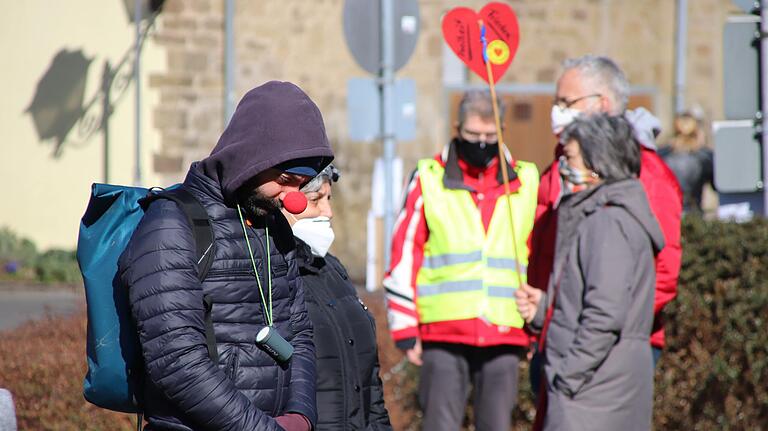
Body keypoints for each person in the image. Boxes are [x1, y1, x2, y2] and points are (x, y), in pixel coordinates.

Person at [118, 81, 334, 431]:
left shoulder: (271, 224)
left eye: (301, 184)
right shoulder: (171, 224)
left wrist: (301, 416)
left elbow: (299, 333)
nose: (292, 198)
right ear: (252, 160)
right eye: (285, 180)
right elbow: (176, 361)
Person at [383, 89, 539, 431]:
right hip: (443, 331)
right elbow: (406, 252)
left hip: (504, 331)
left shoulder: (527, 181)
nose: (482, 144)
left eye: (490, 136)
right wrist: (405, 327)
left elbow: (538, 257)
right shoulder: (429, 178)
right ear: (457, 128)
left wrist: (536, 325)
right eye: (473, 135)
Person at [528, 55, 682, 368]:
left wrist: (596, 332)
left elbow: (662, 271)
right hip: (553, 333)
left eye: (566, 102)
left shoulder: (645, 172)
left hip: (609, 345)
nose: (557, 112)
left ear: (602, 104)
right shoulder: (558, 167)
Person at [516, 114, 665, 430]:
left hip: (595, 392)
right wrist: (545, 309)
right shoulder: (604, 217)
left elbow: (604, 315)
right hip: (597, 384)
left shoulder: (609, 223)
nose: (562, 167)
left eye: (570, 158)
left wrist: (568, 376)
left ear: (598, 163)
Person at [282, 165, 393, 430]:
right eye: (315, 200)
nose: (328, 212)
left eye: (329, 199)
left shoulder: (332, 269)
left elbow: (369, 383)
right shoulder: (272, 275)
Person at [658, 111, 714, 214]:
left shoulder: (662, 155)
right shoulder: (705, 156)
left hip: (668, 213)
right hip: (694, 212)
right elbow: (715, 185)